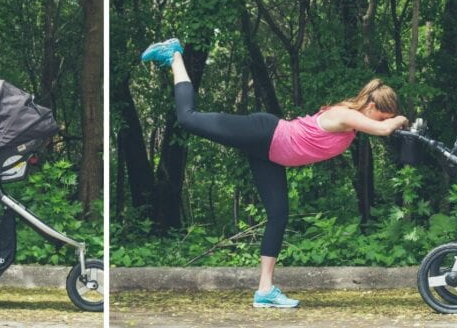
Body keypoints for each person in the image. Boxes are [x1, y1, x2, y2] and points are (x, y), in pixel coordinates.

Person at [141, 38, 409, 309]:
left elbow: (379, 128)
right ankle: (174, 55)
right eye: (382, 116)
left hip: (270, 155)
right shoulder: (346, 115)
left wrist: (393, 122)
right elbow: (383, 130)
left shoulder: (351, 126)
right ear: (372, 108)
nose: (383, 122)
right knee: (188, 118)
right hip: (265, 133)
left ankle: (265, 290)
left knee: (279, 214)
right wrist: (400, 120)